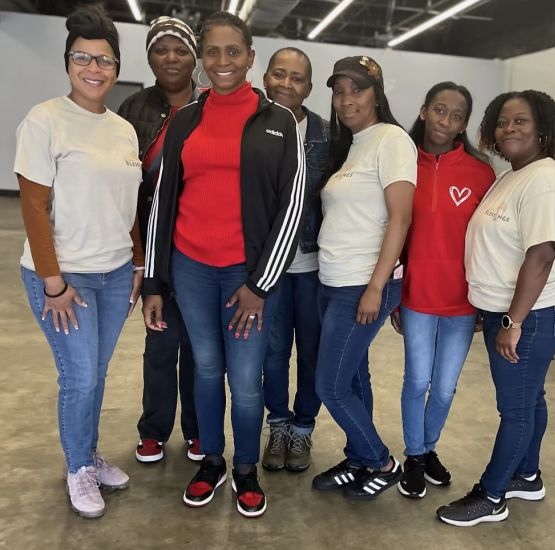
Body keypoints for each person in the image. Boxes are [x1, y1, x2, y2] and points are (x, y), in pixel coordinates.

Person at [141, 11, 305, 518]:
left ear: (250, 57)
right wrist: (154, 281)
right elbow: (162, 203)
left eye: (233, 51)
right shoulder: (186, 119)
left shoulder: (278, 121)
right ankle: (212, 461)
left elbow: (292, 206)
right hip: (190, 268)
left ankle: (246, 469)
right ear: (202, 59)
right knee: (207, 369)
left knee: (246, 378)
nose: (222, 61)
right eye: (211, 52)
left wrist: (260, 285)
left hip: (246, 277)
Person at [16, 6, 143, 518]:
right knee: (80, 376)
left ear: (117, 67)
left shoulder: (124, 129)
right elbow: (33, 206)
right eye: (83, 58)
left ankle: (88, 453)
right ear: (68, 62)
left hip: (115, 274)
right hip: (65, 277)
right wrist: (52, 282)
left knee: (97, 372)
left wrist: (137, 265)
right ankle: (78, 468)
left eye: (104, 60)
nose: (94, 68)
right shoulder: (44, 119)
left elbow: (129, 206)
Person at [437, 90, 555, 526]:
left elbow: (541, 255)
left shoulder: (543, 181)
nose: (509, 129)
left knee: (515, 408)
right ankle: (527, 475)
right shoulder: (512, 175)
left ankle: (492, 495)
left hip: (537, 313)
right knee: (530, 399)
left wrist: (512, 321)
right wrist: (489, 303)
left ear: (543, 130)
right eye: (502, 122)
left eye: (521, 121)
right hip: (516, 310)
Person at [311, 56, 416, 500]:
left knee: (329, 385)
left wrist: (376, 287)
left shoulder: (392, 140)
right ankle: (358, 459)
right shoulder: (352, 145)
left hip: (362, 284)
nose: (346, 99)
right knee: (353, 377)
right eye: (339, 91)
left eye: (358, 89)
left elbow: (400, 219)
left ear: (377, 94)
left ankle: (382, 461)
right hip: (332, 280)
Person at [390, 82, 496, 499]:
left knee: (446, 386)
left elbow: (489, 241)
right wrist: (393, 294)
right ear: (423, 111)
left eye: (456, 116)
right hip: (416, 295)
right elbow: (392, 231)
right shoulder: (402, 162)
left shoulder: (480, 173)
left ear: (464, 124)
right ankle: (414, 456)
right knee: (417, 380)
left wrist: (486, 300)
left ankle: (428, 447)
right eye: (439, 110)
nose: (445, 121)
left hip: (463, 301)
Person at [118, 16, 201, 464]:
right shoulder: (133, 108)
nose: (171, 58)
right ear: (149, 57)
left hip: (201, 243)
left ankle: (199, 430)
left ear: (194, 58)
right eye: (160, 49)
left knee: (200, 348)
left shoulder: (210, 106)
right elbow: (124, 182)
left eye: (181, 49)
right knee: (161, 343)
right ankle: (153, 430)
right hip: (155, 247)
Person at [261, 47, 329, 472]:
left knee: (311, 352)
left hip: (312, 265)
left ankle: (303, 428)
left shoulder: (325, 133)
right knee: (272, 353)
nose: (286, 83)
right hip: (267, 267)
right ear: (265, 77)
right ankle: (278, 425)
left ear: (308, 87)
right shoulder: (252, 125)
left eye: (297, 78)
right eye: (279, 74)